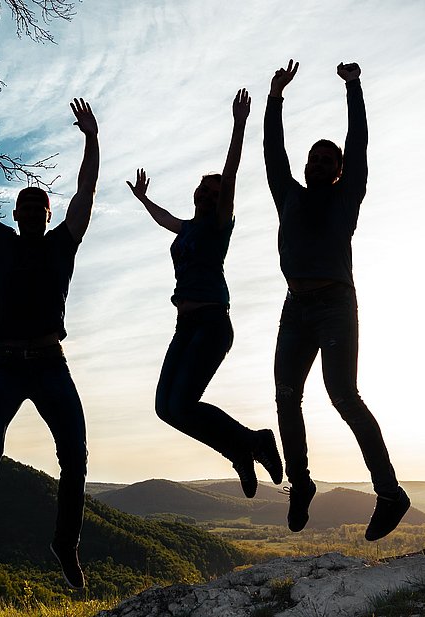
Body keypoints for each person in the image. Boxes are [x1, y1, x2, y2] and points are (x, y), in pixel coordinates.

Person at [0, 97, 99, 602]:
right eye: (27, 208)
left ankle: (65, 544)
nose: (34, 212)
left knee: (75, 455)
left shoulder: (64, 242)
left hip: (50, 362)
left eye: (41, 207)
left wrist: (91, 139)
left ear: (48, 215)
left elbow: (86, 191)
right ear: (16, 214)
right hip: (7, 365)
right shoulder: (1, 242)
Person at [264, 59, 408, 539]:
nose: (320, 163)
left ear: (340, 170)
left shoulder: (348, 195)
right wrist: (275, 97)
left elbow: (360, 142)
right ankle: (301, 484)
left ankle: (389, 493)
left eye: (329, 160)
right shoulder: (288, 194)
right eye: (315, 158)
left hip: (335, 305)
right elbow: (272, 152)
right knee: (286, 395)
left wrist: (354, 87)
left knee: (344, 395)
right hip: (295, 306)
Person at [126, 89, 284, 499]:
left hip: (212, 322)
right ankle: (241, 449)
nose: (209, 195)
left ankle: (253, 442)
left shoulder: (217, 226)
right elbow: (166, 220)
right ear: (194, 194)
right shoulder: (189, 228)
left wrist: (239, 124)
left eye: (215, 194)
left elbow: (229, 176)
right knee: (166, 408)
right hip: (185, 325)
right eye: (204, 191)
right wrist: (144, 200)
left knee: (182, 403)